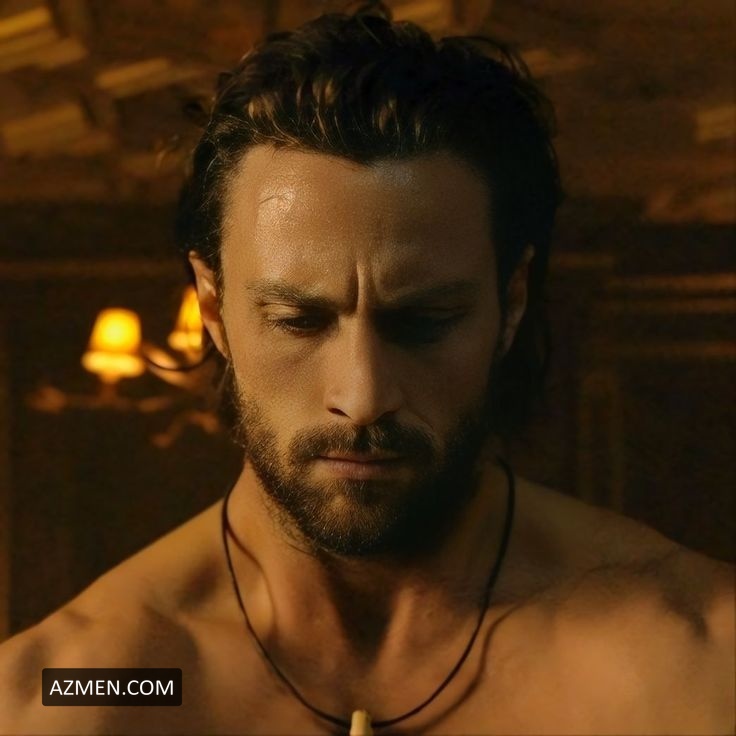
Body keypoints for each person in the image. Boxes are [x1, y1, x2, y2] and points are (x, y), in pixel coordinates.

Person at [0, 4, 733, 735]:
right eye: (298, 320)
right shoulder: (85, 691)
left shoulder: (697, 664)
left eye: (425, 321)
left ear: (510, 305)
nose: (364, 396)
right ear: (214, 311)